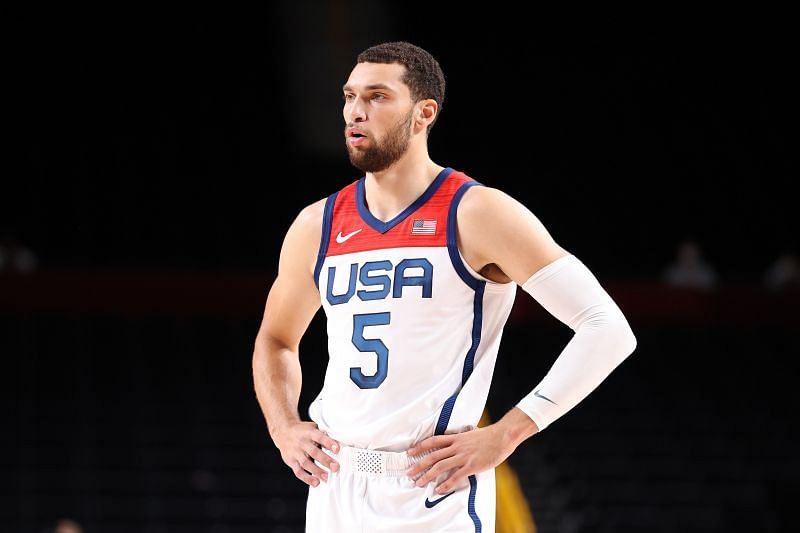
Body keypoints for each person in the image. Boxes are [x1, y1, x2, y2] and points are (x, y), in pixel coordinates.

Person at [252, 41, 637, 533]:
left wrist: (506, 434)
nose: (355, 111)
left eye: (377, 97)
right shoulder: (317, 225)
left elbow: (607, 327)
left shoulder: (478, 212)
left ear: (423, 113)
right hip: (335, 486)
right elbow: (276, 340)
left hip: (432, 489)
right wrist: (284, 427)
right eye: (350, 96)